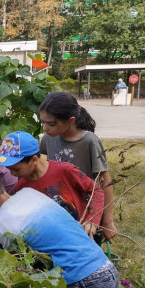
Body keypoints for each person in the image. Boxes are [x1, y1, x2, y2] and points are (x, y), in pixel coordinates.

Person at [0, 131, 104, 237]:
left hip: (80, 234)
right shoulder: (21, 187)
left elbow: (96, 191)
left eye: (16, 169)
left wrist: (92, 221)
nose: (12, 174)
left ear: (34, 160)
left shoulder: (65, 170)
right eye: (9, 169)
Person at [39, 92, 117, 242]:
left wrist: (107, 221)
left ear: (71, 121)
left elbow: (105, 182)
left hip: (87, 216)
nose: (45, 128)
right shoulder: (48, 139)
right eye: (42, 122)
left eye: (51, 124)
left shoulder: (90, 142)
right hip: (59, 211)